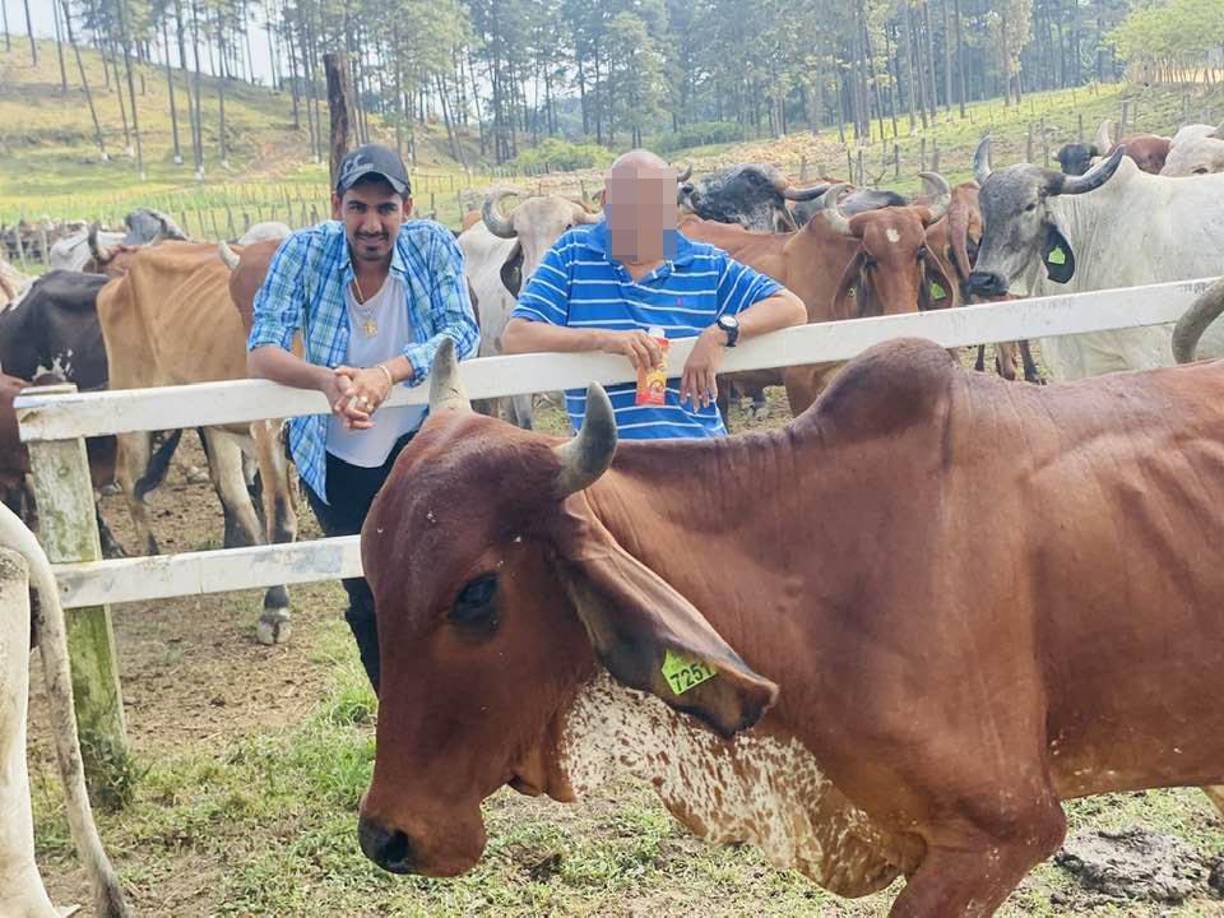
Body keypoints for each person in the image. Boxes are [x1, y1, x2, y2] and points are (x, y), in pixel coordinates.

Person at [247, 144, 479, 692]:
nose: (371, 224)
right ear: (336, 207)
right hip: (331, 455)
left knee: (441, 578)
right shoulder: (302, 252)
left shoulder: (432, 246)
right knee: (366, 589)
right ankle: (397, 712)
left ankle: (454, 708)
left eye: (385, 208)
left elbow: (460, 329)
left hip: (418, 443)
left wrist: (387, 374)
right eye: (358, 207)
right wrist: (328, 382)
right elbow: (263, 347)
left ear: (407, 207)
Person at [501, 149, 806, 437]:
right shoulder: (573, 255)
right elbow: (517, 337)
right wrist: (605, 339)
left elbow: (791, 307)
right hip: (610, 467)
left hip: (696, 452)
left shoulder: (703, 262)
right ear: (609, 202)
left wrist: (720, 333)